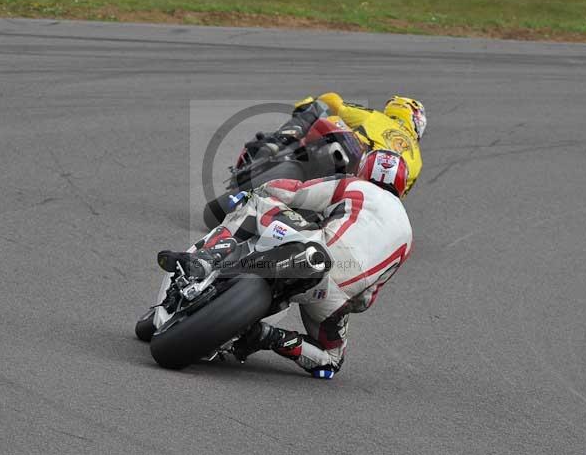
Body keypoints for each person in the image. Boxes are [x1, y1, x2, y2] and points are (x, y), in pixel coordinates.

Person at [165, 149, 414, 379]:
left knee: (258, 200)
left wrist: (258, 190)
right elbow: (367, 298)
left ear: (364, 169)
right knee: (330, 361)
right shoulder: (408, 235)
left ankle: (206, 259)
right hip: (334, 297)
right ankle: (269, 336)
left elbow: (295, 191)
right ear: (402, 186)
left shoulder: (355, 184)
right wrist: (340, 302)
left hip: (316, 248)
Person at [256, 92, 426, 196]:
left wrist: (310, 103)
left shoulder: (377, 117)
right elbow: (398, 194)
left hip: (353, 152)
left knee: (326, 115)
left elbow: (335, 102)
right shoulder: (417, 160)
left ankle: (280, 141)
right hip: (369, 191)